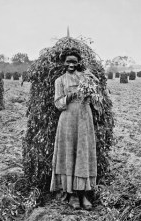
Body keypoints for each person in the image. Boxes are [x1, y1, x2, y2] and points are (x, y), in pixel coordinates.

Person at [50, 47, 97, 210]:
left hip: (84, 118)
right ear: (64, 63)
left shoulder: (85, 77)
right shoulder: (60, 81)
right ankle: (72, 195)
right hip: (68, 120)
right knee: (69, 153)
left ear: (78, 63)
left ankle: (84, 194)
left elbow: (94, 98)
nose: (71, 64)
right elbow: (58, 103)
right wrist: (70, 95)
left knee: (83, 153)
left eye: (74, 61)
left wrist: (90, 89)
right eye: (68, 61)